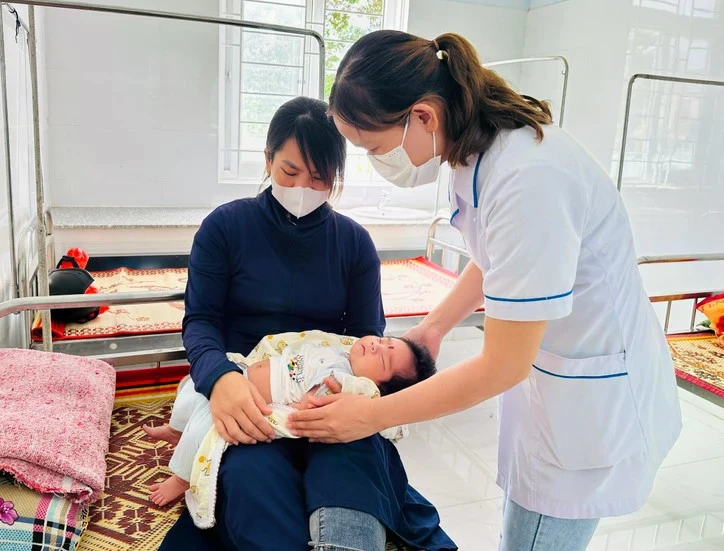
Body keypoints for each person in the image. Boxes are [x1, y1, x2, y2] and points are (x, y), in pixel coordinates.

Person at [287, 30, 683, 551]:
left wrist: (373, 415)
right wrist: (431, 329)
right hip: (551, 378)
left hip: (590, 396)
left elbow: (502, 364)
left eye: (375, 147)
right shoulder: (476, 153)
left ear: (423, 116)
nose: (376, 162)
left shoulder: (528, 177)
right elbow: (494, 257)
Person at [155, 96, 456, 551]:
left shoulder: (353, 245)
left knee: (355, 461)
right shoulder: (224, 229)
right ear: (268, 159)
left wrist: (347, 401)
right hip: (250, 392)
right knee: (248, 474)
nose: (303, 187)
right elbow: (200, 322)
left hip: (328, 393)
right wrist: (221, 381)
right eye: (290, 172)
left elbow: (365, 340)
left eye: (319, 178)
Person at [147, 334, 436, 506]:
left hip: (249, 395)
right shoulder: (340, 348)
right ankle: (175, 429)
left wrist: (308, 402)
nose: (376, 347)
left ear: (378, 385)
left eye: (384, 359)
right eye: (383, 342)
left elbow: (319, 392)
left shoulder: (342, 375)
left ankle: (181, 478)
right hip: (240, 371)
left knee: (206, 421)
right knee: (191, 387)